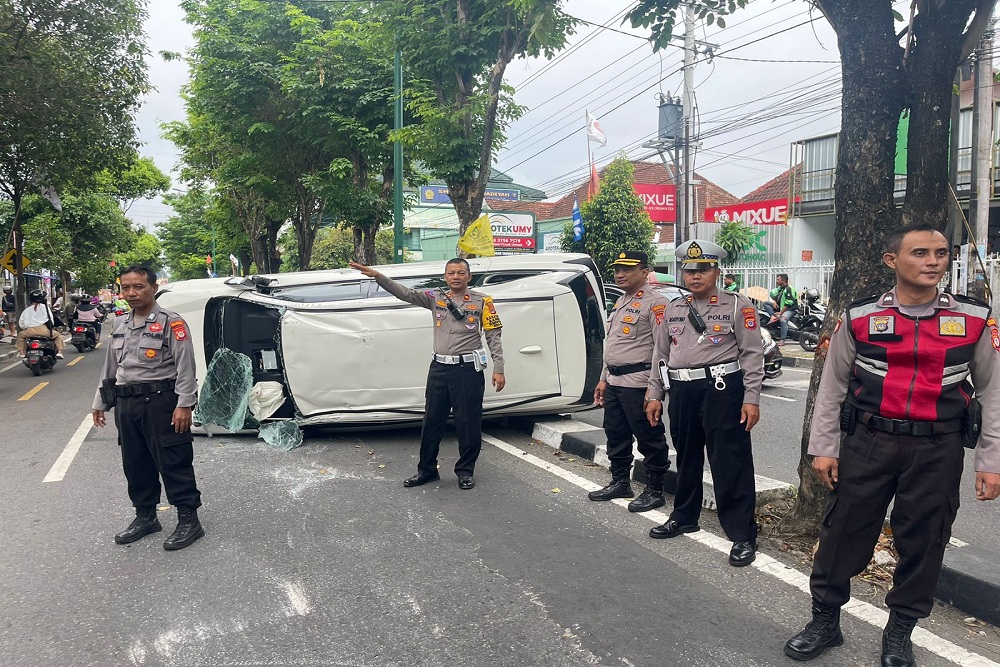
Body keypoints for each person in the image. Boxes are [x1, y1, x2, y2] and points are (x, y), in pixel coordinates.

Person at [783, 223, 1000, 666]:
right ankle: (825, 622)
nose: (933, 262)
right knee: (843, 531)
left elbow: (993, 391)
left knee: (924, 541)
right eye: (920, 253)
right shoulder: (860, 316)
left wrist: (990, 459)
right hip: (868, 441)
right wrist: (824, 447)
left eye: (940, 253)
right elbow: (833, 385)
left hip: (937, 448)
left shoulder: (976, 318)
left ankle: (899, 633)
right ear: (892, 261)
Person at [643, 240, 764, 567]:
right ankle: (684, 515)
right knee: (687, 455)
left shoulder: (738, 306)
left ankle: (741, 533)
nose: (695, 276)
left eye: (703, 269)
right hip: (682, 391)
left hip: (721, 389)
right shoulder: (673, 308)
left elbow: (752, 355)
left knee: (730, 460)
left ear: (717, 271)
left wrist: (751, 398)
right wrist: (655, 393)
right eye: (690, 270)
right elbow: (660, 355)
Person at [349, 258, 505, 490]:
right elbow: (406, 293)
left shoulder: (483, 301)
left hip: (467, 370)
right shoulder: (435, 298)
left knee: (468, 423)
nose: (455, 276)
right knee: (432, 421)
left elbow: (493, 335)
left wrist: (499, 368)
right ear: (445, 276)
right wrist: (378, 277)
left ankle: (465, 471)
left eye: (461, 273)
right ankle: (427, 470)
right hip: (439, 369)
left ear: (468, 277)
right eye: (451, 272)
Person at [91, 265, 204, 551]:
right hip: (127, 404)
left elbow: (186, 366)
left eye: (138, 286)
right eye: (125, 287)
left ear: (153, 288)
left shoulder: (171, 322)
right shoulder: (119, 324)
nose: (131, 292)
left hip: (161, 402)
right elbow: (111, 368)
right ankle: (146, 516)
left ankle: (189, 519)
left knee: (173, 460)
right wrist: (100, 402)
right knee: (135, 462)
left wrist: (185, 404)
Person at [590, 251, 671, 512]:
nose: (620, 274)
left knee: (649, 438)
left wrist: (655, 390)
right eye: (617, 270)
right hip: (614, 381)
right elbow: (612, 345)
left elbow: (663, 350)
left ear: (645, 272)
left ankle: (655, 490)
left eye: (627, 269)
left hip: (639, 383)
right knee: (615, 435)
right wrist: (603, 378)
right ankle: (620, 482)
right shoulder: (621, 301)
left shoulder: (655, 303)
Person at [16, 290, 64, 358]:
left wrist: (26, 329)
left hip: (29, 331)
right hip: (43, 330)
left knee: (21, 335)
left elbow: (21, 323)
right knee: (57, 335)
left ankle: (21, 352)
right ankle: (59, 352)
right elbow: (50, 319)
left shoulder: (27, 310)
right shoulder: (45, 308)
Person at [762, 273, 797, 344]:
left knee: (783, 320)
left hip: (790, 309)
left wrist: (781, 312)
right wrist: (774, 302)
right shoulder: (780, 289)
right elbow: (777, 297)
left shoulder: (789, 289)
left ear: (783, 280)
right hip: (781, 308)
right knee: (766, 303)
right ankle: (772, 317)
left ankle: (782, 339)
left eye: (778, 280)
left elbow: (788, 303)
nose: (776, 281)